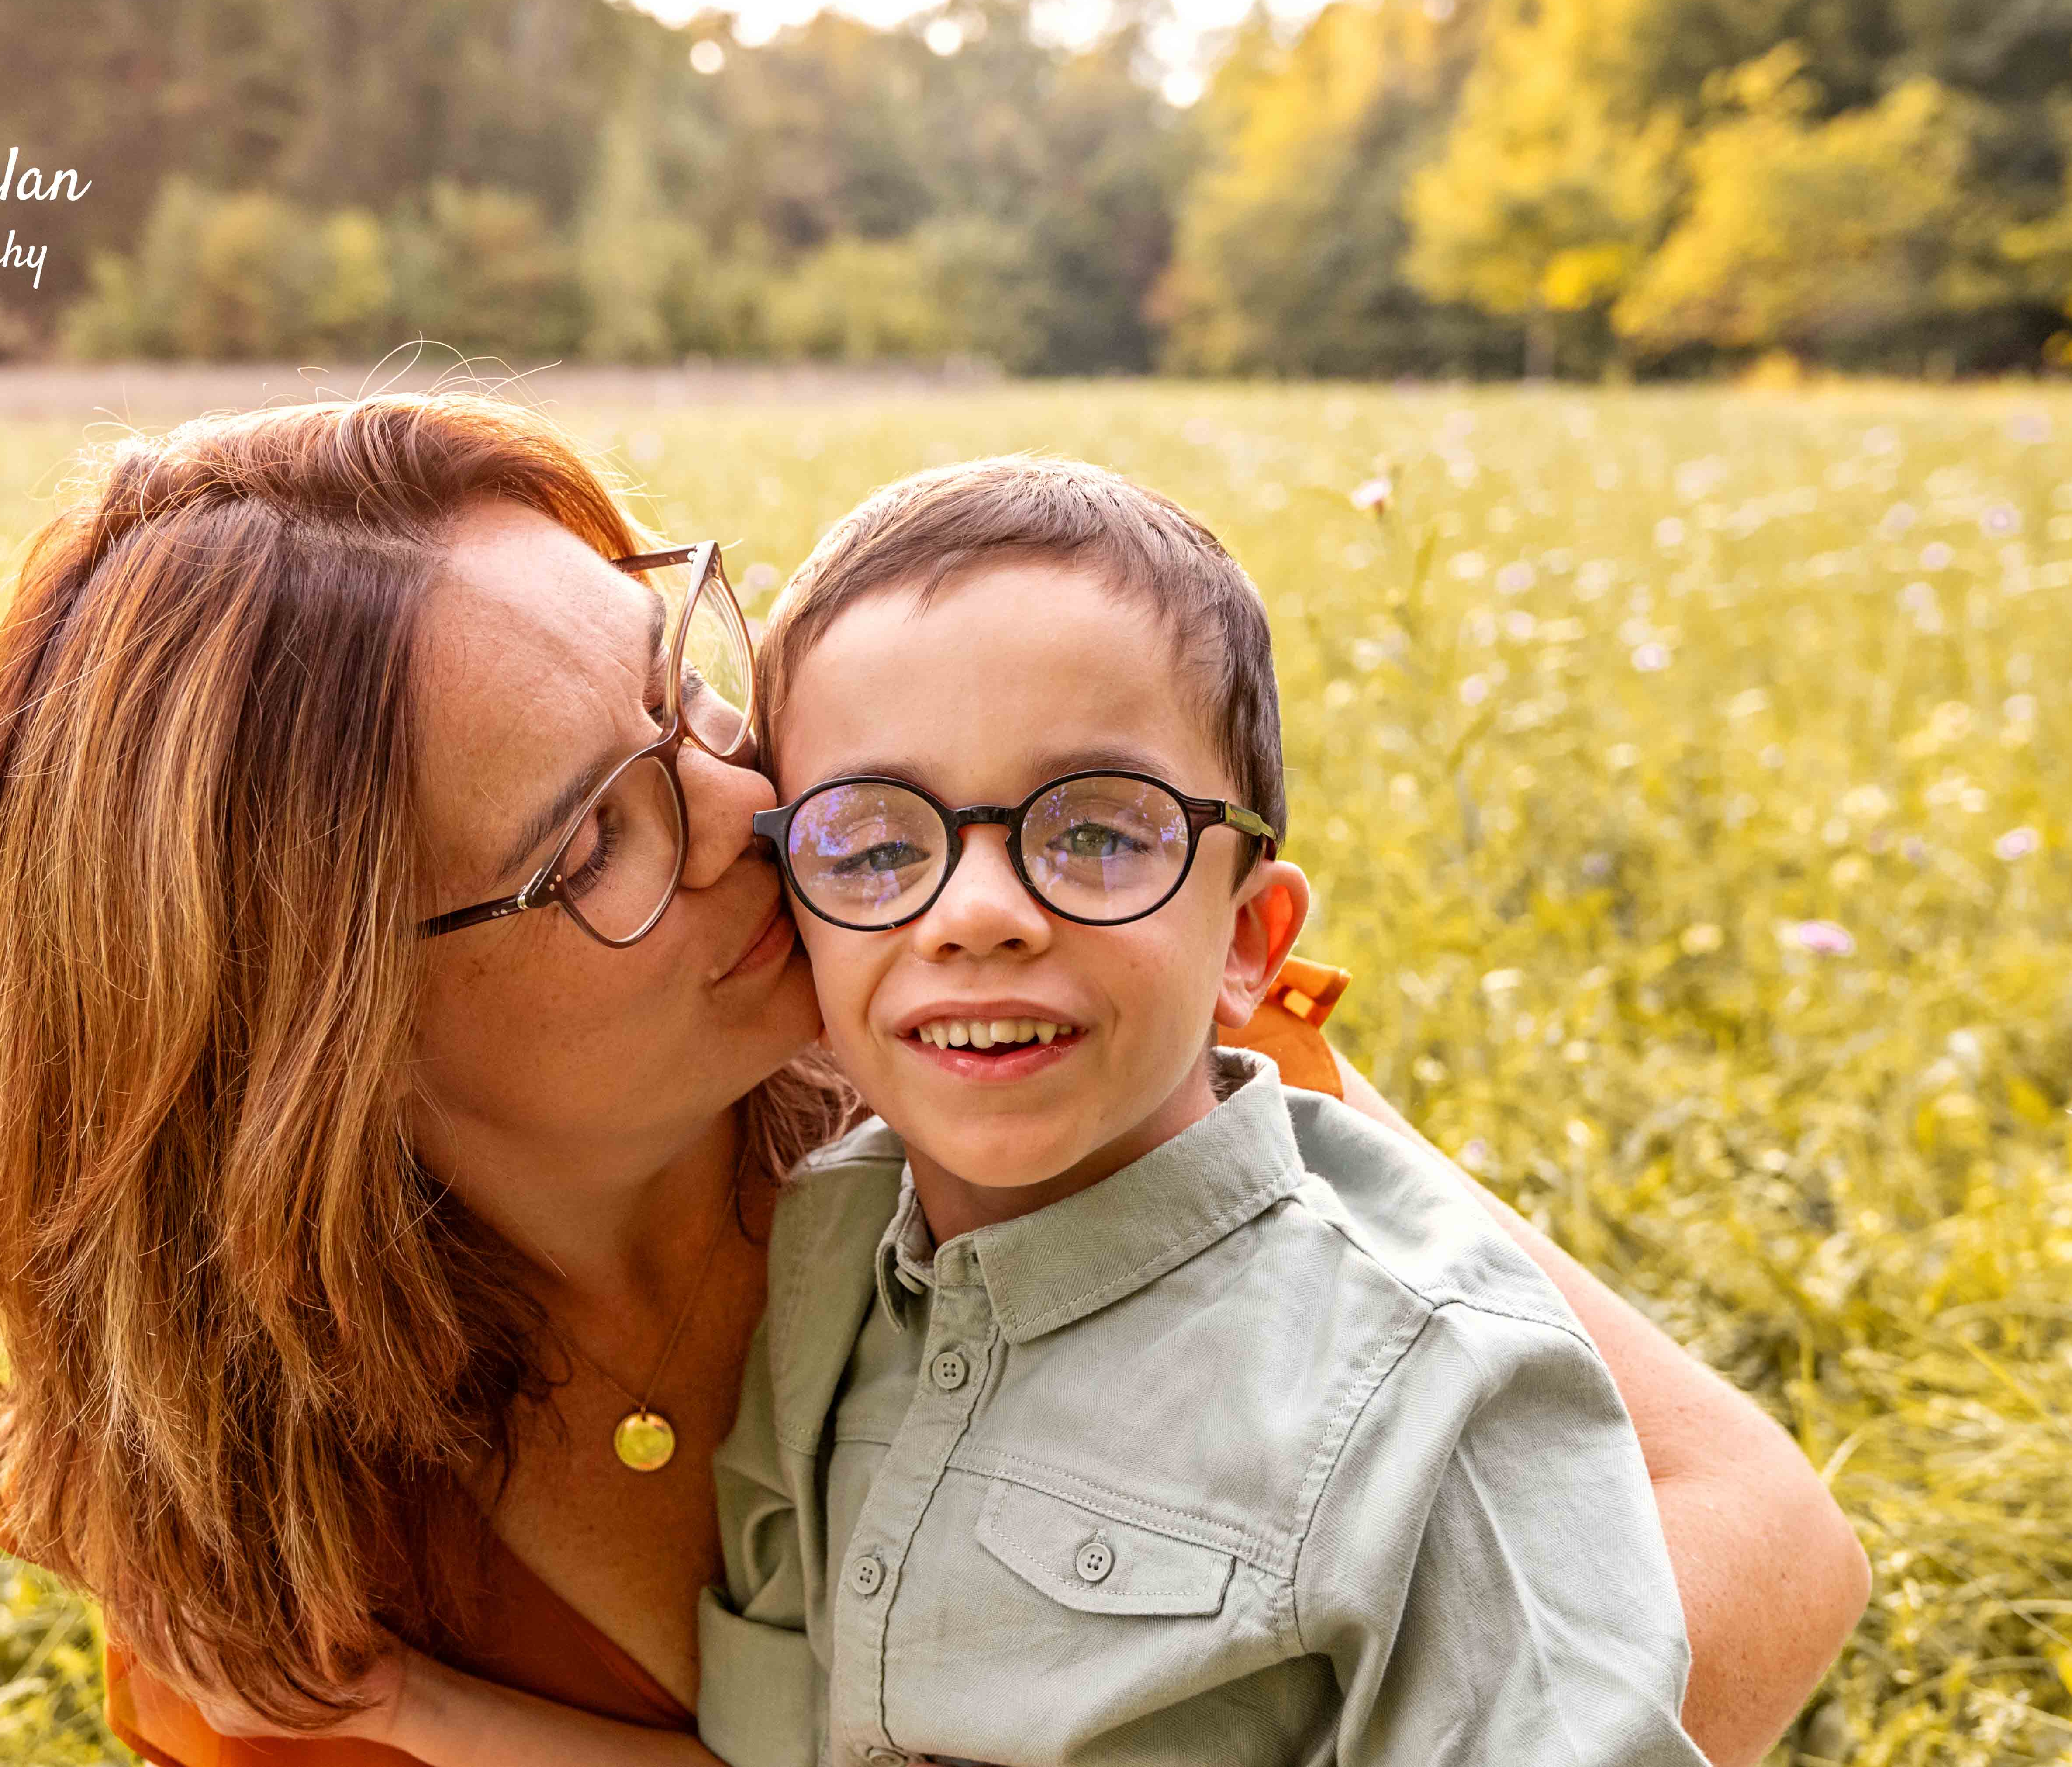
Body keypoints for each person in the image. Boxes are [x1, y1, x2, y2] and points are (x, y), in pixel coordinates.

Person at [0, 392, 1869, 1767]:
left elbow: (1760, 1539)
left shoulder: (1062, 1070)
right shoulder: (258, 1546)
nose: (763, 813)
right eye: (600, 836)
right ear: (313, 1042)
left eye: (690, 692)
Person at [682, 454, 1716, 1765]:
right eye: (877, 844)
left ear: (1248, 942)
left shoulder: (1425, 1394)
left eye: (1101, 833)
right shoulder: (821, 1259)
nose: (980, 912)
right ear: (796, 915)